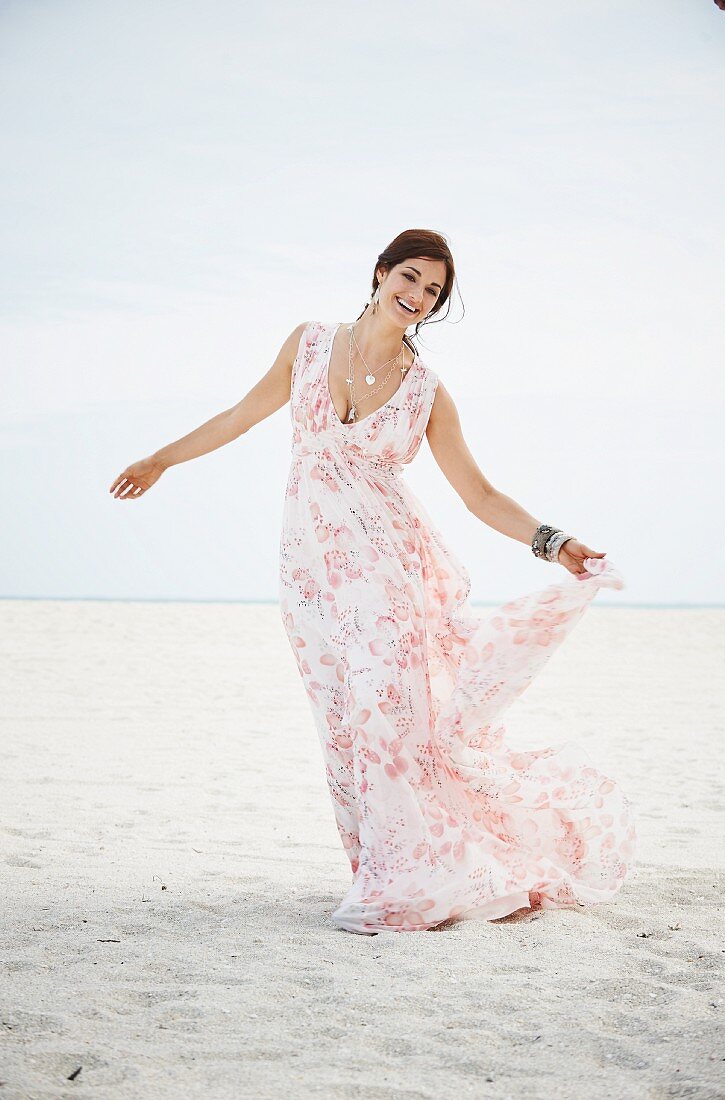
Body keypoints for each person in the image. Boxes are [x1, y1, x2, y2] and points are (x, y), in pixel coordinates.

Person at [109, 228, 637, 934]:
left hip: (389, 568)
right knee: (340, 717)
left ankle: (408, 877)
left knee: (388, 714)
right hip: (310, 572)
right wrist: (159, 459)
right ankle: (380, 867)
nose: (417, 297)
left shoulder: (425, 392)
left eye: (432, 292)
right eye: (411, 278)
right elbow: (239, 417)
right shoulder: (308, 344)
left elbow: (478, 494)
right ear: (380, 272)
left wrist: (554, 541)